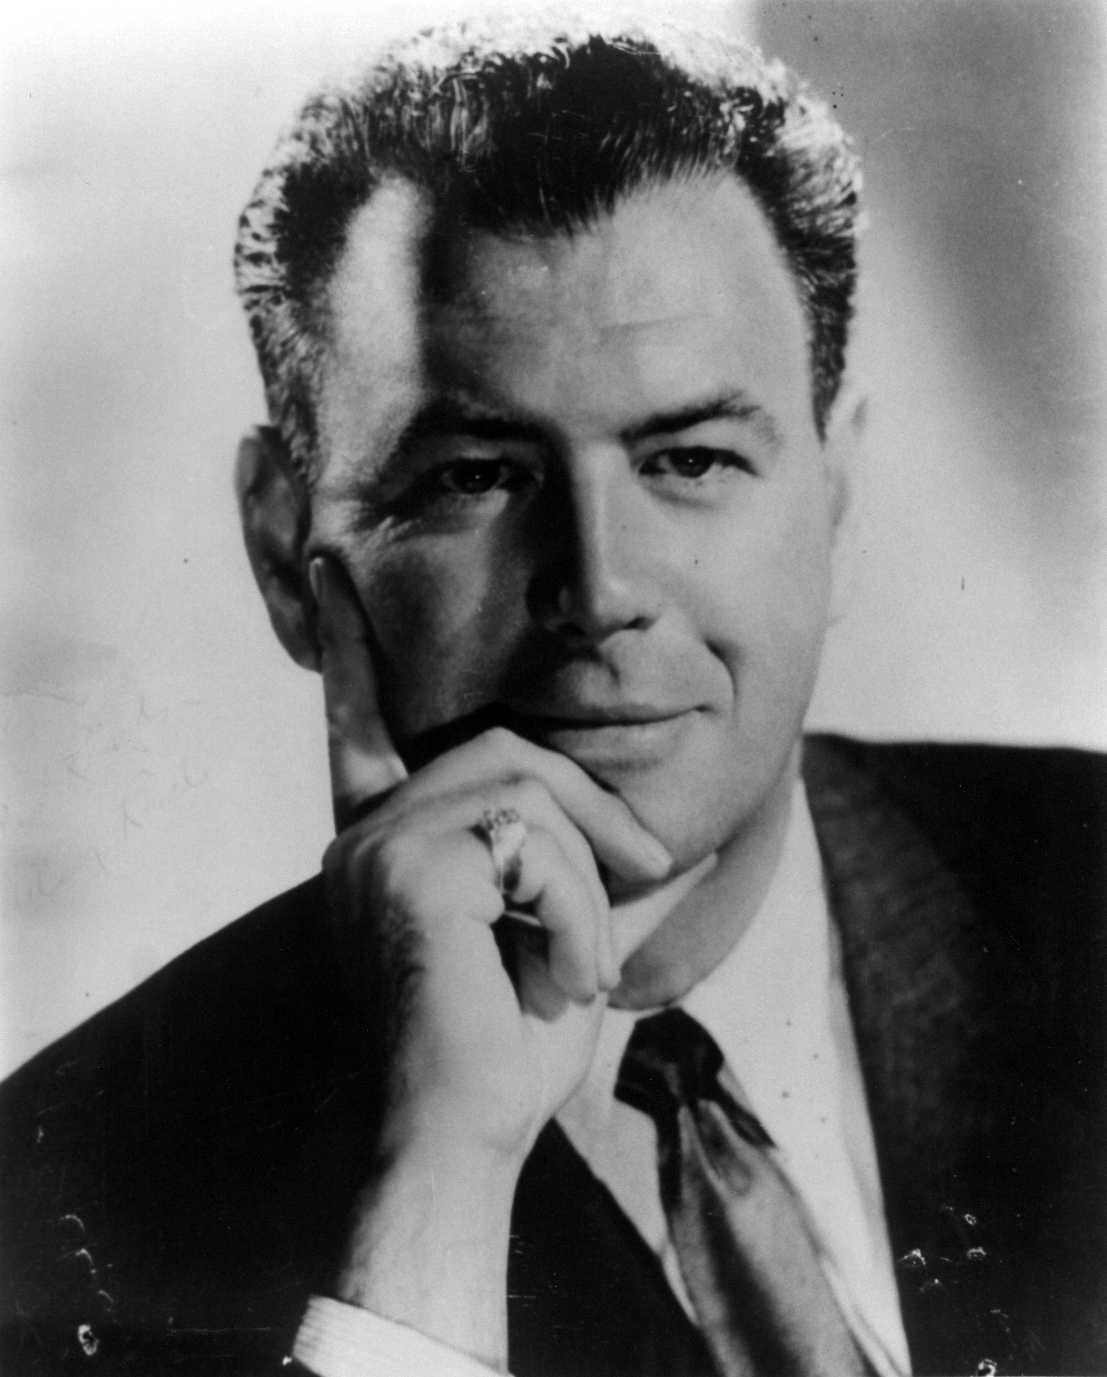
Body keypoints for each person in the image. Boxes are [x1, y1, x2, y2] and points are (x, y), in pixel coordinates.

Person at [1, 13, 1104, 1377]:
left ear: (837, 499)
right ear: (287, 554)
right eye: (476, 476)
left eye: (690, 459)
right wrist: (442, 1166)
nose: (600, 587)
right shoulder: (57, 1201)